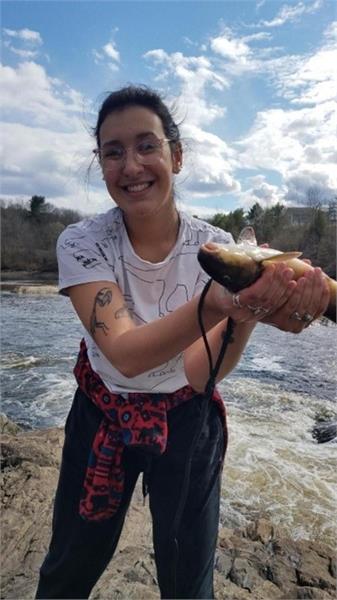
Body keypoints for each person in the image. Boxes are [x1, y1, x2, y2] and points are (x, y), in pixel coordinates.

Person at [36, 85, 329, 600]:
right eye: (113, 151)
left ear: (176, 154)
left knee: (189, 581)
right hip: (101, 416)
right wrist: (218, 303)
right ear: (100, 164)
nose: (131, 165)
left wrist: (249, 308)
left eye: (147, 146)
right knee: (68, 570)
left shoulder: (217, 249)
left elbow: (199, 372)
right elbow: (123, 356)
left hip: (188, 422)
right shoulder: (81, 243)